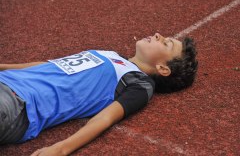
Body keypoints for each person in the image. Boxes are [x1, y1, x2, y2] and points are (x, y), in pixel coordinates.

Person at [0, 33, 198, 156]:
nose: (157, 35)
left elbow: (104, 119)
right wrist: (4, 67)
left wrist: (60, 149)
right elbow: (52, 66)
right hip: (8, 81)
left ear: (163, 68)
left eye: (166, 44)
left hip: (20, 104)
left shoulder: (139, 83)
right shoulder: (108, 53)